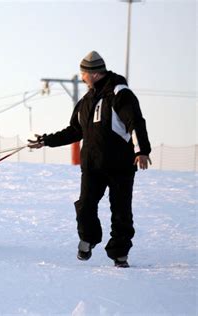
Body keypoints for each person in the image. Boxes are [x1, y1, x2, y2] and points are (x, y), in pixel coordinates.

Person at [28, 51, 151, 268]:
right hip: (92, 165)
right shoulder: (86, 101)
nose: (82, 78)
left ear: (93, 74)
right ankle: (88, 239)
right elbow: (75, 131)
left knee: (121, 211)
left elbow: (135, 122)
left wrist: (141, 151)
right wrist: (46, 141)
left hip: (120, 165)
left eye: (83, 74)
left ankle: (119, 254)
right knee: (85, 205)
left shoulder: (120, 93)